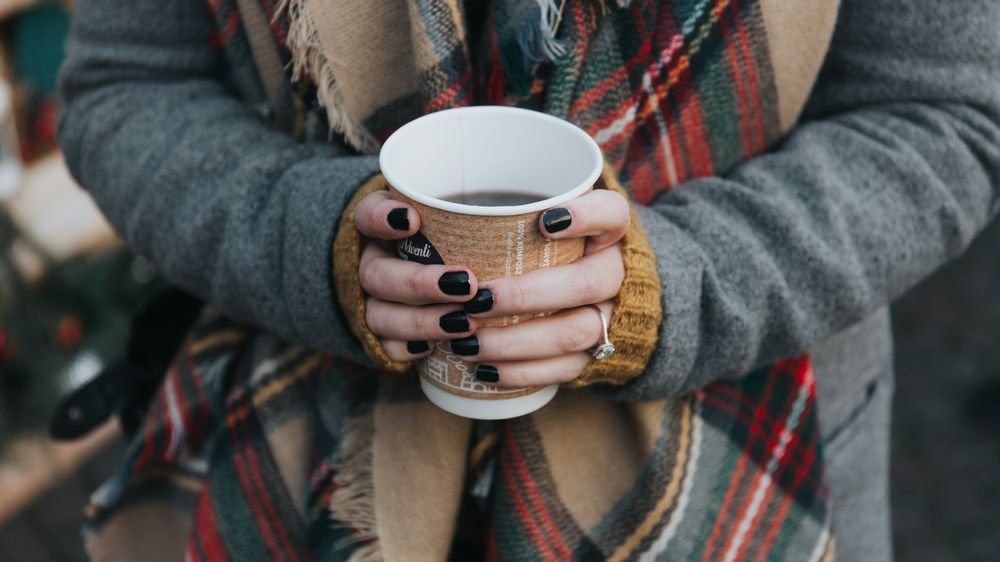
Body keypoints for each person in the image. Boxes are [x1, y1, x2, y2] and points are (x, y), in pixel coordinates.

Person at [58, 0, 999, 560]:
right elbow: (129, 86)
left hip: (736, 471)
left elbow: (942, 113)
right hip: (306, 468)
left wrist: (672, 290)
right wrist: (318, 247)